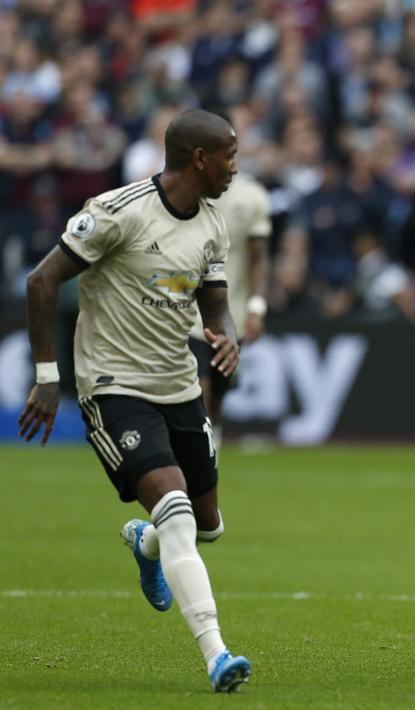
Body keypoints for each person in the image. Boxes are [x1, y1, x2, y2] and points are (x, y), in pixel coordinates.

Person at [18, 109, 252, 692]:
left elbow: (214, 301)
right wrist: (49, 377)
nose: (235, 166)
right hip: (113, 387)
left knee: (208, 525)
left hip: (179, 385)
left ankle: (146, 547)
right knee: (174, 510)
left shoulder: (213, 224)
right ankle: (218, 654)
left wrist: (224, 334)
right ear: (199, 158)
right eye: (228, 154)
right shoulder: (114, 213)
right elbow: (41, 281)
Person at [189, 170, 272, 435]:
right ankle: (195, 457)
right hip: (185, 312)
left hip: (229, 314)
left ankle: (210, 451)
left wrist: (256, 307)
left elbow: (258, 258)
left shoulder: (252, 196)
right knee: (199, 389)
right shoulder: (182, 192)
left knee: (216, 398)